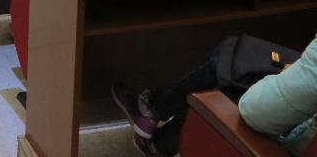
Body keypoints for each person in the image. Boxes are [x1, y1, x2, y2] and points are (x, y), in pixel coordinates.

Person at [112, 32, 317, 156]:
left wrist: (290, 73)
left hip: (294, 138)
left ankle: (155, 121)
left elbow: (256, 113)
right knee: (240, 55)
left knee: (229, 78)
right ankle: (158, 128)